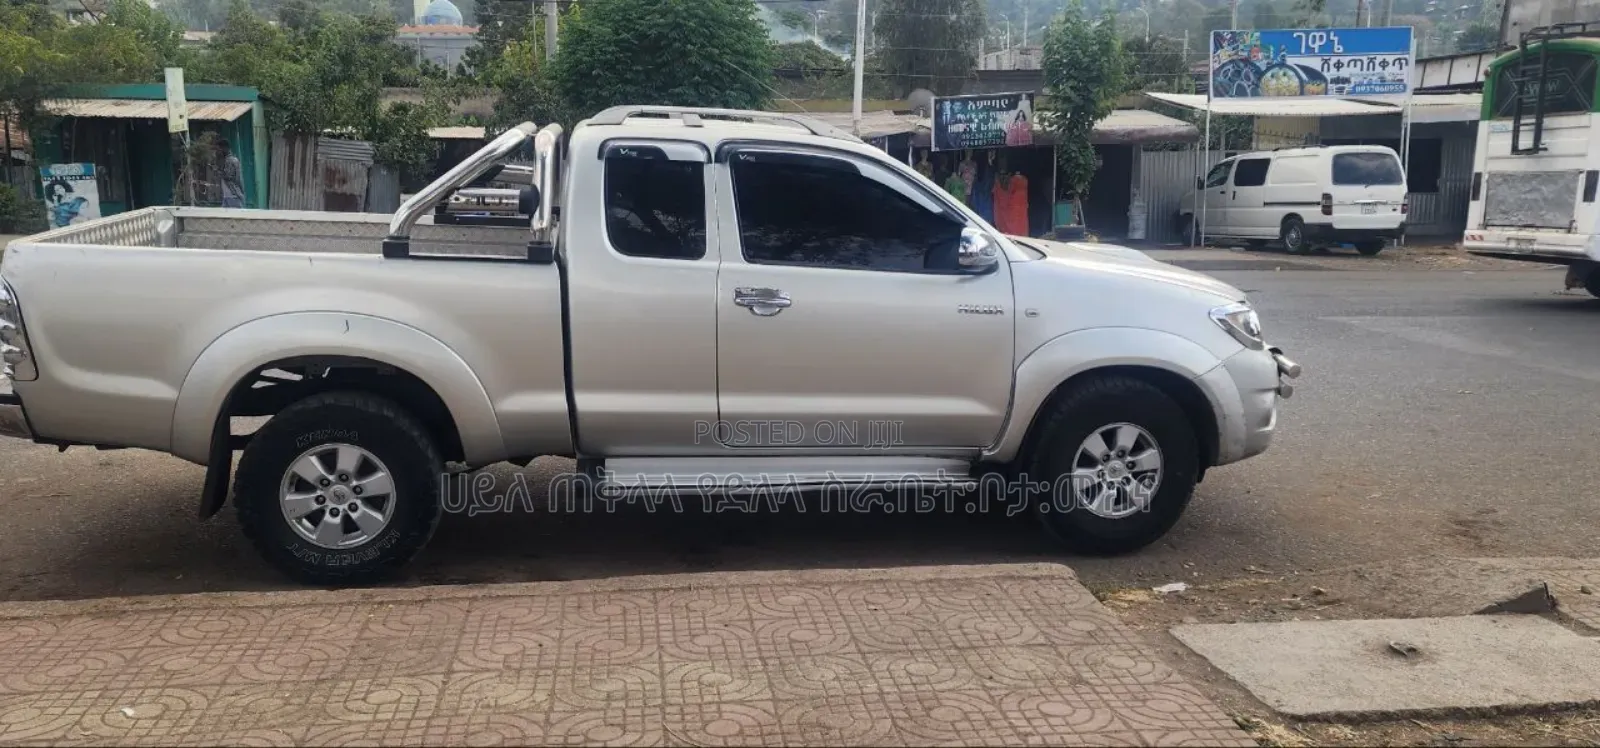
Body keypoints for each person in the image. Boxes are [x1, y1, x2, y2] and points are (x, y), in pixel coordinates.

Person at [217, 139, 246, 208]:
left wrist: (220, 173)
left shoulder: (231, 161)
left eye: (219, 149)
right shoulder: (226, 160)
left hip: (233, 196)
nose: (218, 152)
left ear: (225, 148)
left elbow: (232, 177)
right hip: (227, 196)